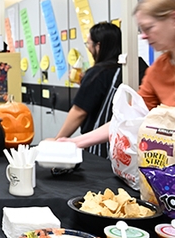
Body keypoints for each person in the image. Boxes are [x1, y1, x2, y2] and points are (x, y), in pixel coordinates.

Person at [63, 0, 175, 150]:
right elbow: (128, 118)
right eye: (141, 30)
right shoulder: (158, 70)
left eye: (149, 28)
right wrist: (74, 142)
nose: (144, 36)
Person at [55, 22, 148, 158]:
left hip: (99, 149)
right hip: (131, 146)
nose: (88, 48)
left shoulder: (97, 73)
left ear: (98, 46)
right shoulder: (137, 66)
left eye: (88, 44)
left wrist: (58, 140)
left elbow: (79, 112)